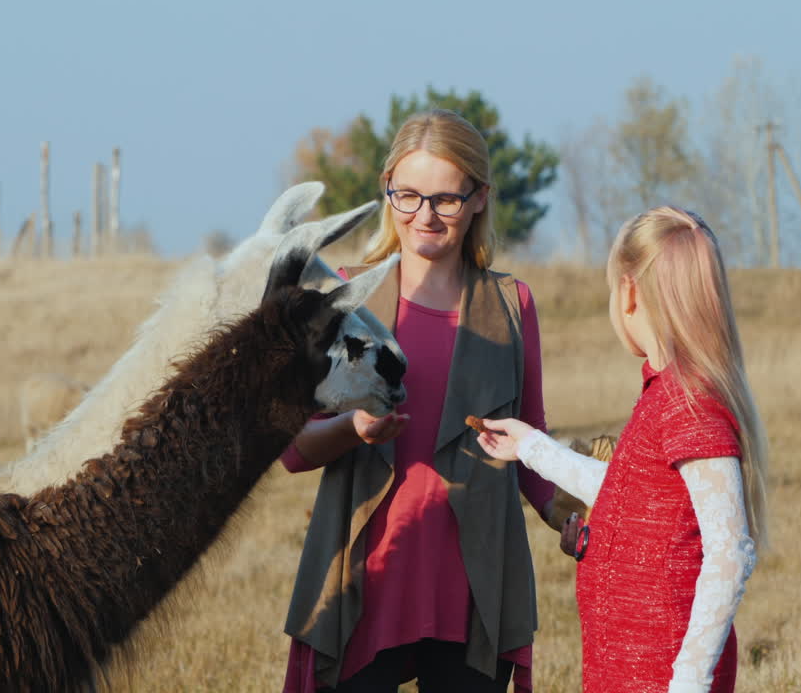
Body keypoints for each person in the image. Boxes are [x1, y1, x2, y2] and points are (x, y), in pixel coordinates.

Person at [280, 109, 562, 693]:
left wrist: (579, 516)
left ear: (479, 198)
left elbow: (530, 439)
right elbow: (293, 451)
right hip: (360, 583)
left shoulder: (513, 305)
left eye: (445, 200)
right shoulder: (342, 297)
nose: (424, 216)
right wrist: (352, 430)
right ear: (387, 191)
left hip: (473, 592)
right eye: (406, 196)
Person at [478, 206, 769, 693]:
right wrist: (531, 447)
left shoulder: (688, 402)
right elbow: (629, 493)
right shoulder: (664, 394)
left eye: (612, 287)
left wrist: (689, 681)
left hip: (660, 673)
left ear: (630, 292)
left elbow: (731, 550)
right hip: (628, 669)